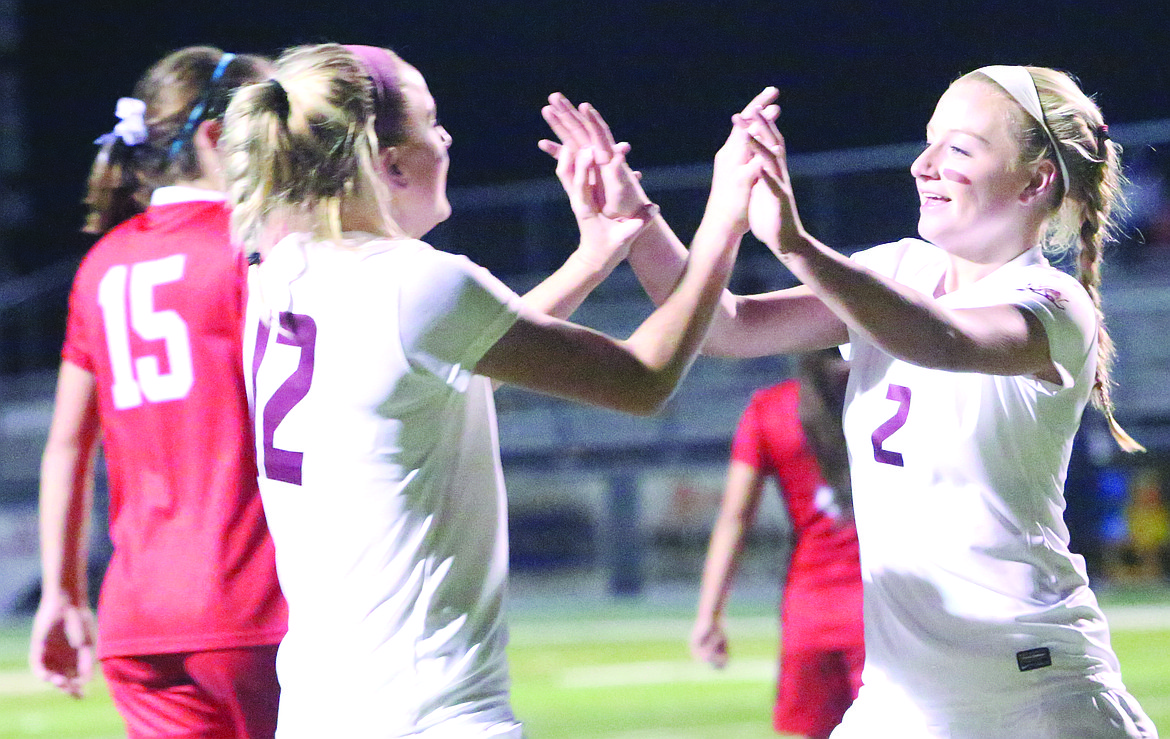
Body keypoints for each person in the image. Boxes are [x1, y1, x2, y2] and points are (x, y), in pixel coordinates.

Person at [541, 66, 1157, 738]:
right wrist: (638, 223)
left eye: (959, 148)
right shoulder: (898, 267)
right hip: (899, 697)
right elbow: (728, 324)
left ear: (1035, 180)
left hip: (1029, 692)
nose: (923, 164)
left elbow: (941, 337)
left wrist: (796, 245)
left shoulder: (1055, 303)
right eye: (927, 142)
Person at [218, 42, 766, 738]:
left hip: (319, 709)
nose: (445, 138)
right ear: (386, 163)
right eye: (430, 119)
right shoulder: (419, 282)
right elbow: (642, 380)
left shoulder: (281, 275)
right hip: (428, 714)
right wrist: (724, 223)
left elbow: (445, 363)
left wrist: (591, 259)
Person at [30, 47, 288, 739]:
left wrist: (62, 591)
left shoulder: (102, 263)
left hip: (137, 618)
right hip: (259, 604)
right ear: (215, 138)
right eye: (272, 120)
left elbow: (65, 447)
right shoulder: (252, 248)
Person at [691, 348, 863, 739]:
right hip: (886, 599)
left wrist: (709, 614)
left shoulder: (772, 408)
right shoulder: (888, 393)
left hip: (810, 609)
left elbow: (735, 518)